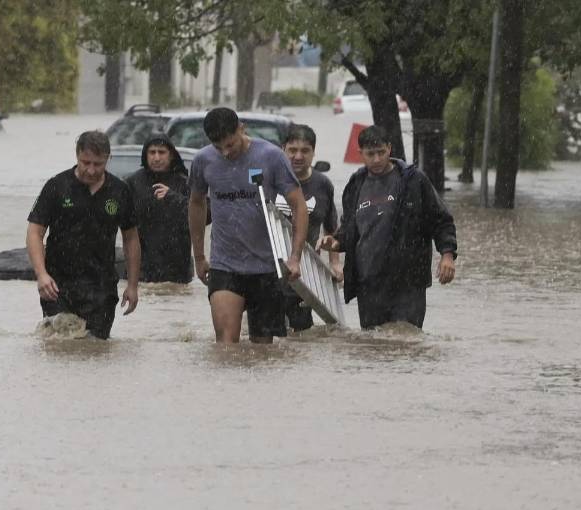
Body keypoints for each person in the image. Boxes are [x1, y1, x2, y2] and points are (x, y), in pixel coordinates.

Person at [187, 108, 309, 344]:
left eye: (230, 144)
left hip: (266, 267)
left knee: (262, 351)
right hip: (225, 265)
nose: (225, 152)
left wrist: (295, 256)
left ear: (241, 129)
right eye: (218, 146)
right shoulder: (203, 160)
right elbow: (196, 203)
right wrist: (199, 256)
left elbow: (299, 206)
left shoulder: (271, 156)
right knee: (225, 344)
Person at [319, 125, 458, 329]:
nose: (376, 159)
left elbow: (441, 220)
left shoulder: (413, 181)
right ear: (360, 154)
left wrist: (447, 255)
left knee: (405, 339)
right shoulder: (356, 184)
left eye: (381, 153)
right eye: (370, 154)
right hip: (368, 283)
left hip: (408, 282)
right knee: (373, 346)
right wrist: (336, 241)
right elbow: (351, 229)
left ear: (390, 149)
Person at [27, 130, 141, 340]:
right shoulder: (57, 186)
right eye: (85, 162)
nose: (90, 170)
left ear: (108, 158)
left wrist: (132, 285)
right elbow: (35, 232)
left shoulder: (119, 191)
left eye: (98, 164)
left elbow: (131, 238)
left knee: (95, 349)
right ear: (77, 155)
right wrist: (41, 274)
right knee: (60, 348)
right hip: (58, 285)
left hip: (102, 286)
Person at [279, 124, 341, 331]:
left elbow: (331, 229)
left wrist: (335, 264)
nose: (298, 156)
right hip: (267, 272)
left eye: (305, 151)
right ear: (282, 149)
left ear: (314, 153)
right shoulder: (269, 180)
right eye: (292, 150)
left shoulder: (323, 184)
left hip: (304, 276)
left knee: (301, 337)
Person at [124, 135, 192, 284]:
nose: (156, 158)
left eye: (161, 152)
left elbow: (206, 215)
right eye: (152, 152)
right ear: (145, 155)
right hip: (141, 268)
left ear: (171, 155)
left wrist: (174, 198)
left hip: (177, 269)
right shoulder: (132, 183)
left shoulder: (185, 183)